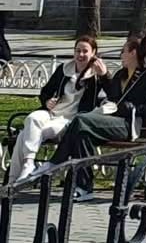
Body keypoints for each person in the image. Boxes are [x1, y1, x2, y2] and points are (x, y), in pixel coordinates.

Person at [7, 35, 111, 188]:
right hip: (51, 113)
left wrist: (104, 75)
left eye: (85, 51)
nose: (80, 55)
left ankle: (13, 182)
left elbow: (113, 93)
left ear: (93, 53)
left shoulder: (96, 75)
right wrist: (47, 101)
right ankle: (28, 165)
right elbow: (45, 92)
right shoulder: (64, 69)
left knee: (26, 135)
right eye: (77, 51)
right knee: (32, 119)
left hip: (70, 120)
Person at [53, 32, 146, 166]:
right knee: (82, 135)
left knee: (80, 119)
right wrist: (104, 75)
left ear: (133, 53)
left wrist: (135, 109)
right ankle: (82, 185)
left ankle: (55, 163)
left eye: (123, 51)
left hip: (128, 125)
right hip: (113, 120)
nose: (120, 56)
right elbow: (113, 97)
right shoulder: (121, 74)